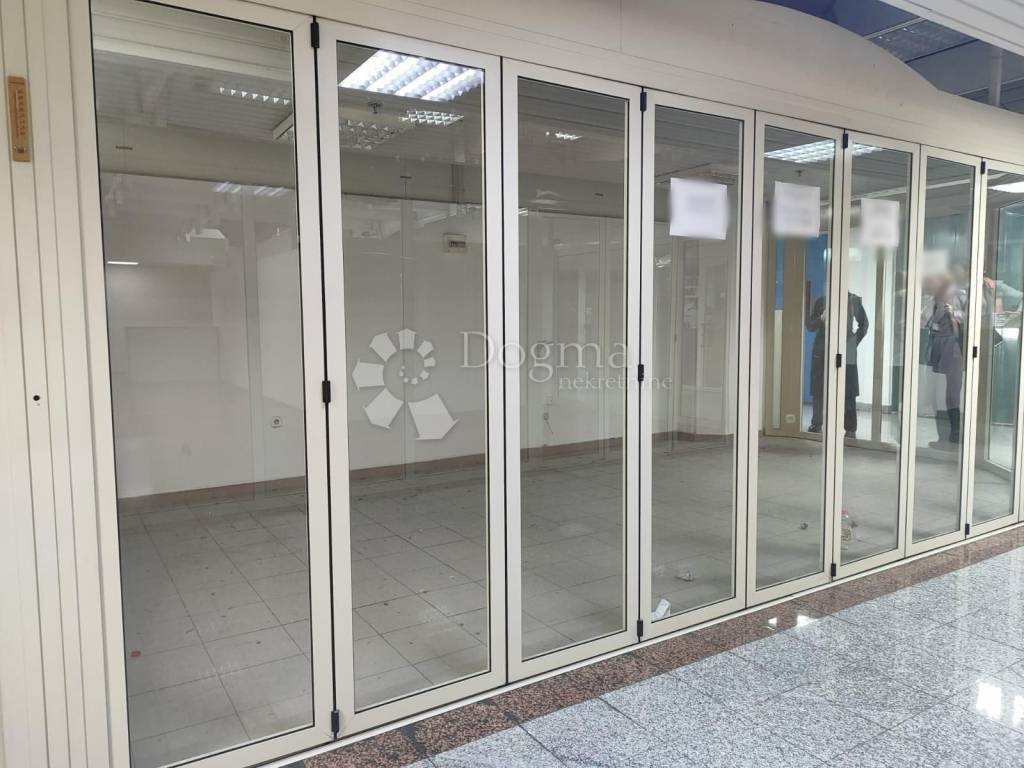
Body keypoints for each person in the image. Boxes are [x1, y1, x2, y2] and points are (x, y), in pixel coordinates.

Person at [806, 293, 868, 437]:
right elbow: (810, 326)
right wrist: (821, 318)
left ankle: (850, 428)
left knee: (849, 390)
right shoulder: (822, 300)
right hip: (822, 351)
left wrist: (852, 343)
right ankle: (817, 423)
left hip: (845, 351)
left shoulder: (853, 301)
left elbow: (864, 325)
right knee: (819, 388)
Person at [922, 269, 967, 448]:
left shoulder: (961, 297)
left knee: (952, 393)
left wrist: (954, 313)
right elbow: (924, 321)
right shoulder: (933, 301)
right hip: (936, 348)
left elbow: (973, 319)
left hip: (953, 348)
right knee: (936, 393)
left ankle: (955, 432)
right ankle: (942, 436)